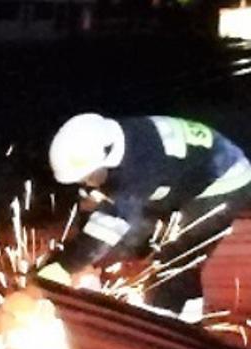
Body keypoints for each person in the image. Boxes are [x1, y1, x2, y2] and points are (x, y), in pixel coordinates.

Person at [37, 113, 251, 321]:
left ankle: (172, 324)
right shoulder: (110, 141)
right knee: (141, 239)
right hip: (185, 175)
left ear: (106, 159)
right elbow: (101, 211)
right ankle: (183, 313)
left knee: (175, 255)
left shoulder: (138, 164)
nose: (87, 183)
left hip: (226, 181)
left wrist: (66, 266)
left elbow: (110, 224)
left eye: (89, 177)